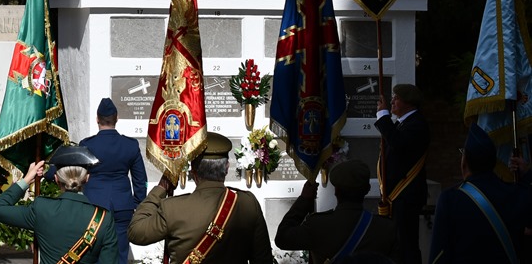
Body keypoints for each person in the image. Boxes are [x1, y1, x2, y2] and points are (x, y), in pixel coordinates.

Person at [128, 132, 274, 263]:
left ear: (194, 172)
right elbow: (263, 259)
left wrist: (161, 188)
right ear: (227, 167)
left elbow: (136, 232)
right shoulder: (247, 203)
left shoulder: (172, 208)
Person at [0, 145, 119, 264]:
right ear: (87, 178)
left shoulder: (42, 208)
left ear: (57, 179)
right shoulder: (103, 218)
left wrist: (27, 179)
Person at [428, 123, 530, 263]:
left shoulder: (450, 199)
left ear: (464, 162)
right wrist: (526, 177)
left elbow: (438, 256)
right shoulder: (514, 194)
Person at [274, 159, 397, 262]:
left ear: (336, 191)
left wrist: (304, 200)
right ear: (367, 189)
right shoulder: (385, 228)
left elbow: (282, 238)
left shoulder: (318, 225)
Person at [79, 98, 147, 263]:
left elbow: (73, 171)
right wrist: (137, 202)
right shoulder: (130, 145)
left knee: (91, 250)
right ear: (116, 119)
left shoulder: (87, 145)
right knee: (120, 252)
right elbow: (140, 179)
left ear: (97, 119)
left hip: (93, 204)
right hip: (122, 204)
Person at [375, 83, 429, 264]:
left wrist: (383, 116)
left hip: (406, 194)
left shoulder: (417, 124)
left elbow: (398, 143)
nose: (392, 102)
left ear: (408, 102)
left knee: (407, 245)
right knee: (396, 244)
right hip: (397, 195)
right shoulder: (403, 123)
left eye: (396, 98)